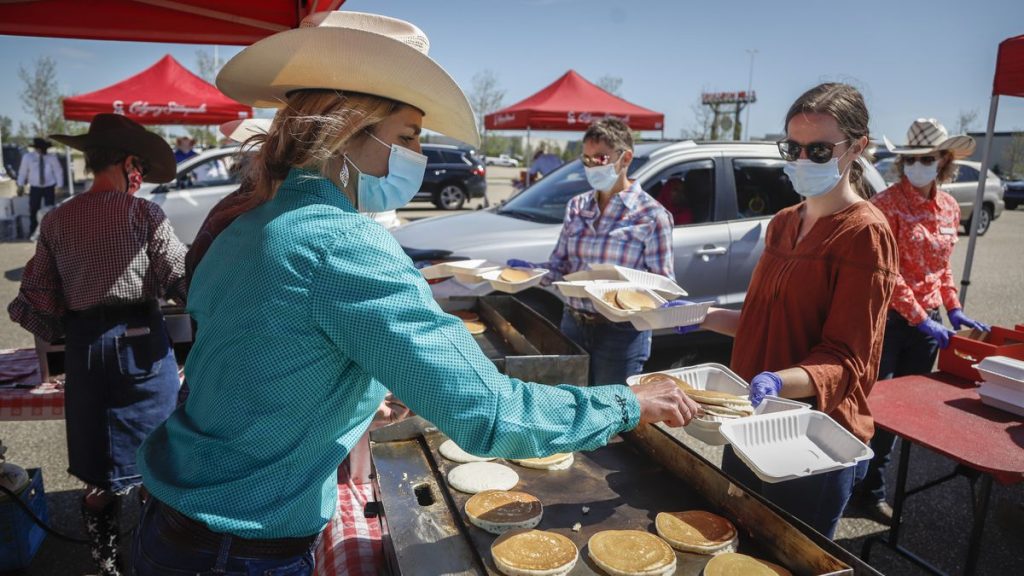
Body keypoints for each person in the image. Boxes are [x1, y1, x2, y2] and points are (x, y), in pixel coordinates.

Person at [132, 12, 700, 575]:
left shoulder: (251, 224)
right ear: (347, 131)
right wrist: (627, 402)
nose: (418, 157)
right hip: (236, 549)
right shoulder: (344, 242)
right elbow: (488, 414)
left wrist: (354, 398)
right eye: (406, 137)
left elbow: (255, 366)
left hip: (175, 518)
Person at [676, 83, 899, 538]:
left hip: (811, 438)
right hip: (749, 420)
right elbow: (768, 323)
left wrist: (779, 381)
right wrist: (700, 316)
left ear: (857, 147)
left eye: (818, 150)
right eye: (792, 148)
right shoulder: (782, 223)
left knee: (787, 557)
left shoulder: (865, 234)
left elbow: (847, 360)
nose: (801, 159)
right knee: (735, 546)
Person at [8, 114, 187, 576]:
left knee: (98, 475)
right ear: (128, 163)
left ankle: (107, 566)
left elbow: (37, 302)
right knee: (155, 468)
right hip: (144, 351)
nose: (140, 176)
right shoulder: (143, 214)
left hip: (86, 353)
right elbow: (182, 281)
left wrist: (69, 319)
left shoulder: (56, 219)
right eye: (139, 166)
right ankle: (154, 561)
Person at [857, 119, 990, 522]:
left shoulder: (948, 207)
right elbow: (886, 271)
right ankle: (859, 484)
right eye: (911, 159)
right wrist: (920, 318)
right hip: (888, 320)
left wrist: (952, 307)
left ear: (943, 161)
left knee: (902, 411)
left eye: (927, 159)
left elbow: (941, 266)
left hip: (928, 325)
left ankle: (872, 487)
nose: (918, 166)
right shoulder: (886, 204)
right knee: (872, 406)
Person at [508, 118, 675, 386]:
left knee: (612, 407)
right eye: (586, 159)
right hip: (573, 323)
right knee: (570, 402)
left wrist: (623, 293)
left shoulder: (652, 215)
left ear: (625, 158)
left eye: (600, 158)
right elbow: (560, 267)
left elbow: (663, 285)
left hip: (621, 333)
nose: (591, 166)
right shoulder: (577, 206)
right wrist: (530, 272)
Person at [16, 137, 65, 236]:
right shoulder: (28, 157)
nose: (43, 151)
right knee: (34, 209)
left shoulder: (52, 158)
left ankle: (50, 232)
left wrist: (59, 186)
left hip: (49, 186)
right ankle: (33, 231)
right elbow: (22, 172)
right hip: (35, 187)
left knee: (50, 210)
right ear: (36, 148)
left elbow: (58, 171)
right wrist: (20, 185)